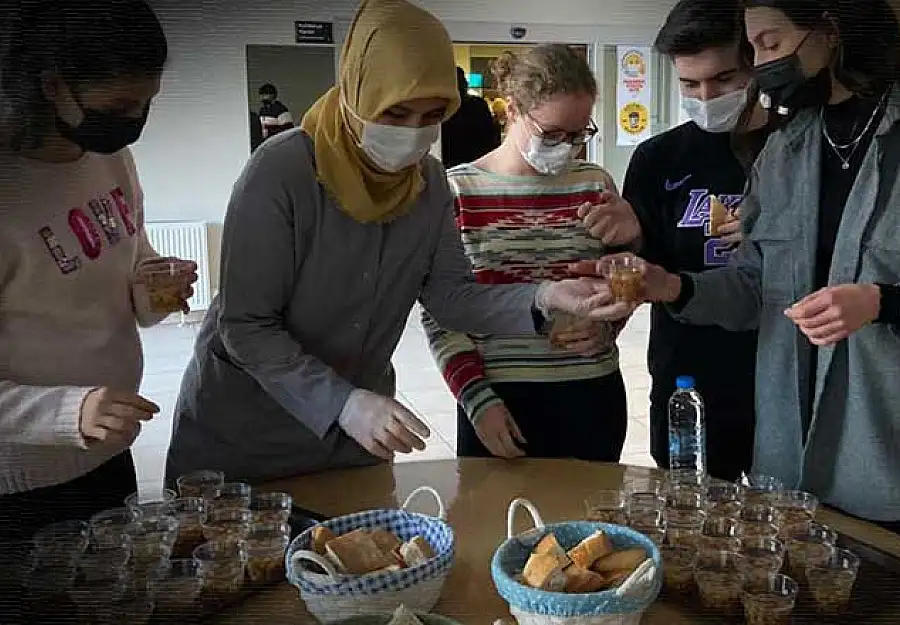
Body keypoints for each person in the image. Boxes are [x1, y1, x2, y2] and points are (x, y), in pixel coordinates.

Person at [585, 0, 900, 550]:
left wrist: (885, 302)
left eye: (771, 44)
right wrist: (673, 285)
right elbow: (757, 285)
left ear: (831, 29)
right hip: (786, 457)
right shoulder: (789, 144)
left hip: (888, 450)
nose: (761, 63)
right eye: (752, 49)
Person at [165, 0, 623, 485]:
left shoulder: (427, 182)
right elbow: (247, 326)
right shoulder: (282, 172)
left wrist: (543, 296)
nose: (411, 134)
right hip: (248, 427)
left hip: (355, 441)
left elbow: (452, 298)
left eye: (430, 116)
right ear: (357, 94)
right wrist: (343, 403)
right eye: (396, 112)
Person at [0, 0, 197, 542]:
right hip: (22, 485)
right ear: (52, 86)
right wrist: (71, 410)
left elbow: (133, 258)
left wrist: (155, 288)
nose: (134, 121)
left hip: (107, 452)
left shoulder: (109, 158)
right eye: (121, 104)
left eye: (146, 103)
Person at [422, 45, 628, 461]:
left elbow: (621, 281)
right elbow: (440, 313)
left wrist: (608, 326)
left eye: (579, 135)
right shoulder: (457, 191)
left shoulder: (594, 183)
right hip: (499, 397)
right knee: (496, 522)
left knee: (589, 522)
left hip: (591, 388)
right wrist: (476, 398)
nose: (567, 148)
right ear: (512, 110)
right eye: (552, 134)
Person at [619, 0, 767, 482]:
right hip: (688, 373)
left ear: (756, 65)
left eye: (724, 79)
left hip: (778, 370)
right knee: (694, 515)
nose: (706, 95)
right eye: (689, 84)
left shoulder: (796, 150)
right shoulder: (657, 159)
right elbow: (643, 274)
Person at [440, 66, 501, 168]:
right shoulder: (477, 104)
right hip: (478, 164)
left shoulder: (441, 109)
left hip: (449, 165)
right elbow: (490, 136)